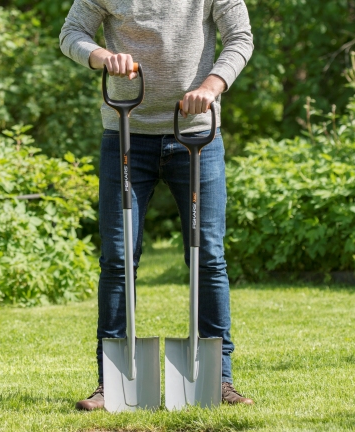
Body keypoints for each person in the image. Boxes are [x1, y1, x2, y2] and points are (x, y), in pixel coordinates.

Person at [59, 0, 254, 410]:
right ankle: (110, 383)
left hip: (197, 132)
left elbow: (240, 38)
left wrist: (210, 87)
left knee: (209, 257)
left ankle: (219, 379)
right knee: (117, 258)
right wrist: (103, 57)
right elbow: (71, 33)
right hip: (126, 133)